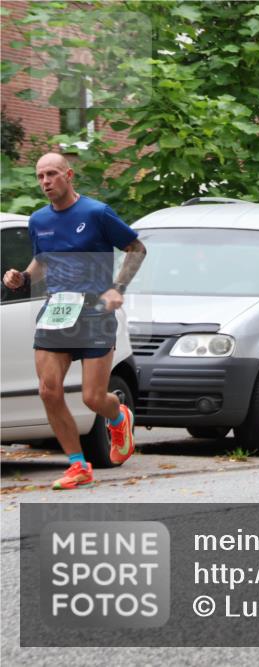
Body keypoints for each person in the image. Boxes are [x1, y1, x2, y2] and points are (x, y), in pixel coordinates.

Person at [2, 152, 146, 489]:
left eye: (52, 174)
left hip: (95, 312)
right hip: (57, 312)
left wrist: (117, 288)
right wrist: (23, 278)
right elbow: (42, 261)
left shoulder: (96, 213)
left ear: (69, 175)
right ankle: (78, 465)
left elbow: (136, 249)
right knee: (48, 391)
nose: (45, 181)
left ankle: (118, 416)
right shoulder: (38, 220)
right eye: (40, 176)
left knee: (93, 398)